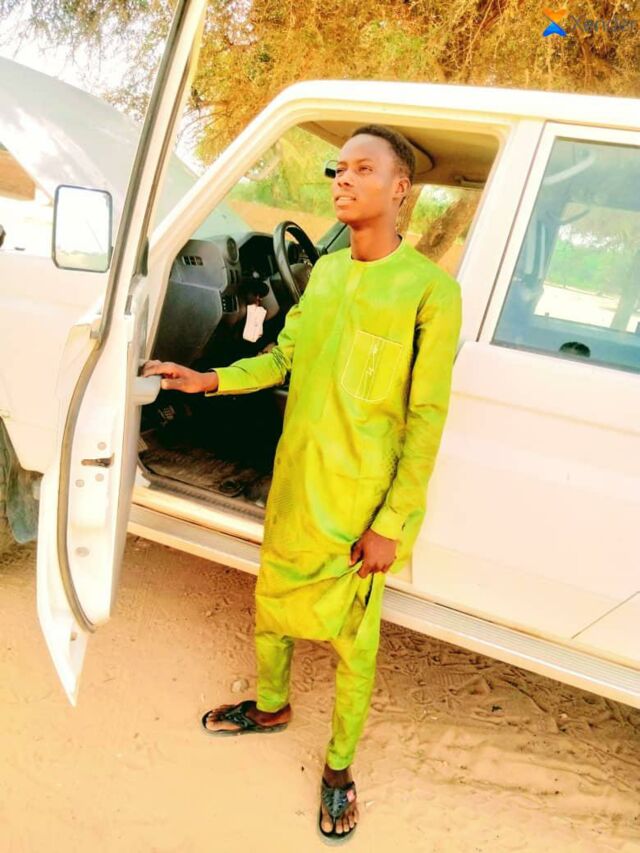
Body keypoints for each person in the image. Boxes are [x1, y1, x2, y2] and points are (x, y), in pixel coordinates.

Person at [142, 124, 462, 843]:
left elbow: (426, 420)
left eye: (362, 168)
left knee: (354, 642)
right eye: (337, 168)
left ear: (400, 188)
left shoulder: (431, 293)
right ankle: (272, 705)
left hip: (357, 503)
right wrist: (207, 379)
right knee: (272, 603)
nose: (342, 179)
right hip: (294, 483)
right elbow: (283, 358)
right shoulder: (327, 273)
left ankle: (339, 769)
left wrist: (392, 522)